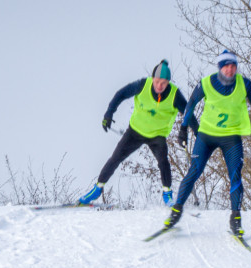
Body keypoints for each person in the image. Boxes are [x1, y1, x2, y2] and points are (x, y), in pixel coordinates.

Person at [162, 50, 251, 237]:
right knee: (194, 170)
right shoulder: (206, 83)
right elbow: (190, 104)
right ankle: (176, 211)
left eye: (233, 66)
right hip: (207, 135)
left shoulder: (244, 84)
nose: (230, 69)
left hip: (231, 137)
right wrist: (183, 128)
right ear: (220, 67)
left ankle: (235, 219)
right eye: (226, 66)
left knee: (235, 174)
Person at [77, 60, 196, 205]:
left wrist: (198, 134)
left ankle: (167, 195)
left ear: (168, 82)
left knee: (163, 162)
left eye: (164, 83)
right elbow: (121, 94)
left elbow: (188, 113)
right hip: (135, 132)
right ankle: (96, 189)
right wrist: (109, 113)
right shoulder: (142, 85)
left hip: (157, 136)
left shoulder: (174, 94)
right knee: (115, 158)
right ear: (152, 79)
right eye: (157, 81)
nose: (159, 86)